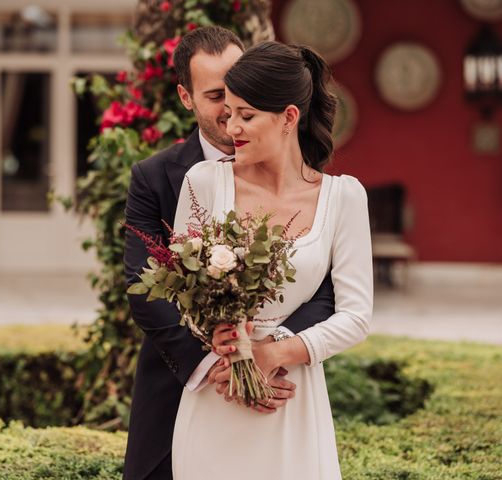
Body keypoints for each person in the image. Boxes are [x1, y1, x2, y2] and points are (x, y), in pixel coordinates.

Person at [123, 28, 336, 480]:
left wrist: (266, 353)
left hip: (282, 384)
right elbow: (148, 287)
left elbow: (323, 288)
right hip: (183, 385)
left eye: (241, 93)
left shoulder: (311, 181)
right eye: (217, 94)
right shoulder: (159, 176)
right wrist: (217, 366)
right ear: (186, 97)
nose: (230, 111)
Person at [171, 41, 373, 479]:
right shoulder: (203, 183)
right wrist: (222, 347)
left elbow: (356, 316)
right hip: (216, 396)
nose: (232, 128)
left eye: (247, 116)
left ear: (288, 118)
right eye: (228, 113)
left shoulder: (343, 198)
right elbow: (183, 296)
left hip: (291, 399)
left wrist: (277, 352)